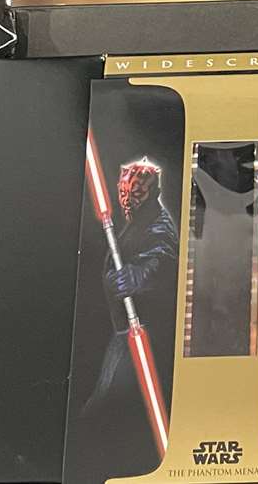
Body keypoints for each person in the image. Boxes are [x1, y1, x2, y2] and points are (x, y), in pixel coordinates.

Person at [81, 157, 178, 422]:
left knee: (104, 407)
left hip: (143, 332)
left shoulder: (157, 223)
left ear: (152, 192)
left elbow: (162, 258)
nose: (129, 199)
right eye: (126, 191)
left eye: (137, 192)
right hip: (126, 328)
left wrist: (137, 275)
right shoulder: (138, 220)